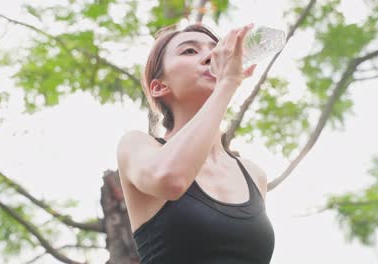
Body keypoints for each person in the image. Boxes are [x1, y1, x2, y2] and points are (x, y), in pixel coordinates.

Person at [116, 22, 275, 264]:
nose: (211, 56)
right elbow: (170, 179)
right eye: (189, 51)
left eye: (215, 48)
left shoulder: (254, 174)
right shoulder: (137, 146)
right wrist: (226, 84)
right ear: (159, 87)